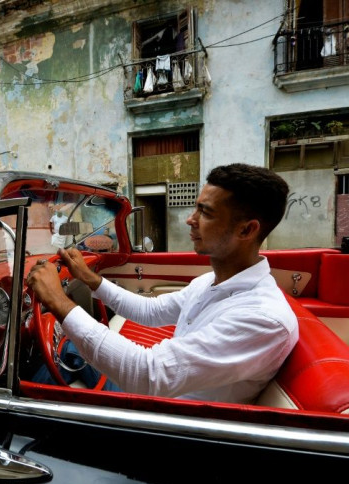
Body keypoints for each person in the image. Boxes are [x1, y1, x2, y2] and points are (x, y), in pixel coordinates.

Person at [27, 163, 298, 404]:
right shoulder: (213, 282)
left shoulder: (263, 319)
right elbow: (152, 311)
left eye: (205, 213)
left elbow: (148, 374)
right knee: (67, 348)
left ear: (247, 230)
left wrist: (59, 301)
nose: (190, 220)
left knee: (53, 361)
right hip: (157, 397)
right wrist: (91, 279)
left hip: (162, 421)